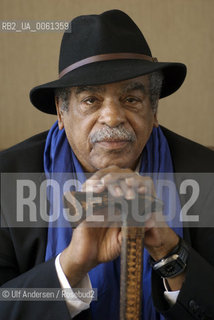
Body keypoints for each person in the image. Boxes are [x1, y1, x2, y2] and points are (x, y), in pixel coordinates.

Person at [0, 9, 214, 320]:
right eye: (91, 100)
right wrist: (72, 265)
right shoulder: (6, 181)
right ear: (61, 113)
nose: (112, 117)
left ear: (153, 110)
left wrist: (170, 252)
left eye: (131, 99)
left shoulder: (207, 175)